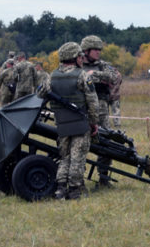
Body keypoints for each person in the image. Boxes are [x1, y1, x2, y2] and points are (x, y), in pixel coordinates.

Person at [42, 42, 101, 200]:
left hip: (62, 124)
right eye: (80, 56)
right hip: (80, 123)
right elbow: (93, 102)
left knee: (65, 157)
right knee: (77, 158)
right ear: (74, 58)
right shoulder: (82, 75)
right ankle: (75, 190)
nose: (82, 59)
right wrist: (94, 122)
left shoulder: (51, 76)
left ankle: (60, 189)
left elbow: (40, 93)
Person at [80, 35, 121, 129]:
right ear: (86, 51)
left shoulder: (102, 65)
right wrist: (99, 79)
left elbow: (114, 77)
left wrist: (94, 73)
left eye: (99, 50)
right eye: (95, 49)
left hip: (101, 109)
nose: (98, 52)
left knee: (105, 133)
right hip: (83, 106)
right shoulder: (78, 64)